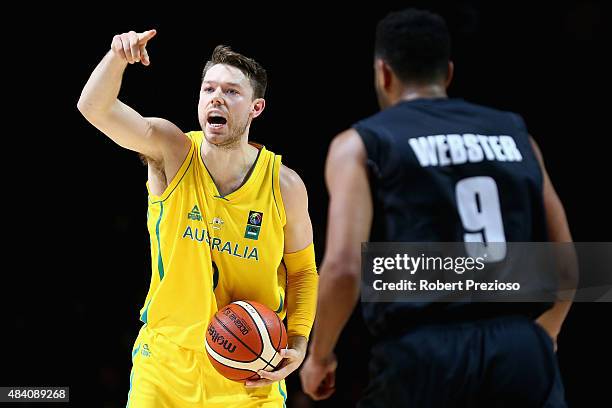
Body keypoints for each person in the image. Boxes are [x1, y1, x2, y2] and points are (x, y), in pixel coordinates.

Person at [300, 8, 572, 408]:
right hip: (518, 347)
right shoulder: (517, 134)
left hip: (424, 355)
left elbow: (343, 267)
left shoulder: (360, 143)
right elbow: (565, 261)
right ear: (447, 73)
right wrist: (544, 333)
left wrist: (320, 355)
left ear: (383, 73)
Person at [78, 29, 318, 407]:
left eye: (231, 91)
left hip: (251, 372)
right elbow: (94, 108)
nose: (216, 97)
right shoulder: (171, 151)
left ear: (256, 108)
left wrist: (300, 342)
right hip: (165, 366)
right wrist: (116, 57)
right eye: (209, 89)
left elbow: (303, 270)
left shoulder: (284, 185)